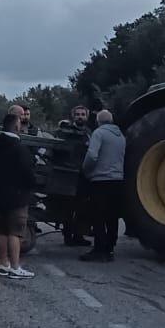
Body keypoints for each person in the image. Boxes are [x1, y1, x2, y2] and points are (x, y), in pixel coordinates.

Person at [0, 110, 37, 279]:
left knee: (2, 229)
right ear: (16, 125)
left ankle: (4, 264)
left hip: (1, 192)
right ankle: (16, 267)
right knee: (15, 232)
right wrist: (31, 186)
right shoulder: (20, 148)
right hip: (18, 195)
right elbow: (28, 174)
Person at [79, 109, 126, 262]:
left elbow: (92, 155)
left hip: (100, 180)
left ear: (98, 121)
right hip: (117, 180)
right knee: (112, 216)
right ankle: (109, 248)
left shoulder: (99, 133)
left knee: (98, 216)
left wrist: (86, 170)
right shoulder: (121, 137)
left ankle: (99, 249)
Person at [61, 104, 95, 246]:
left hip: (83, 174)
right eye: (78, 114)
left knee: (82, 206)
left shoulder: (89, 132)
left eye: (83, 114)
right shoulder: (65, 130)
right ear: (73, 116)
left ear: (86, 117)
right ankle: (68, 235)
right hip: (68, 172)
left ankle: (79, 235)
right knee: (67, 206)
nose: (80, 117)